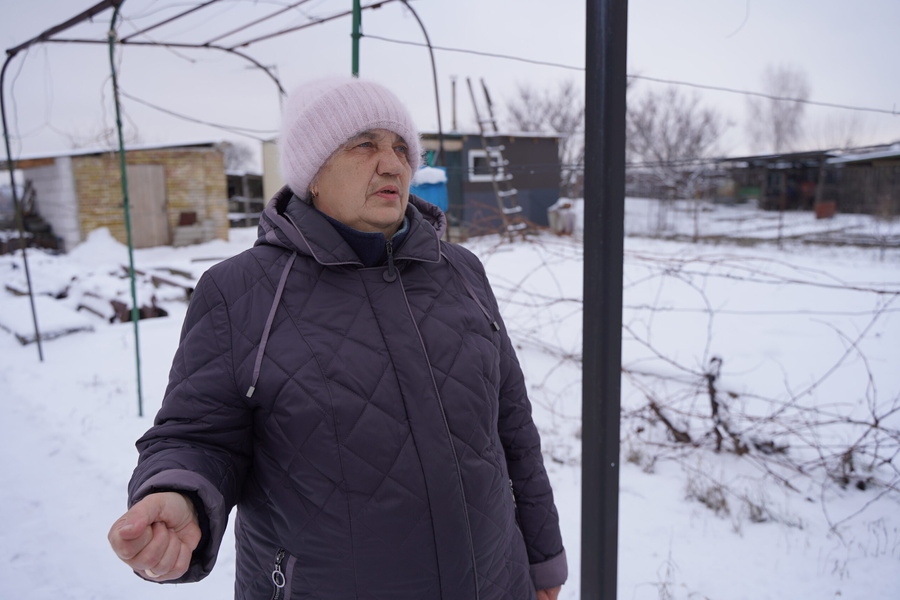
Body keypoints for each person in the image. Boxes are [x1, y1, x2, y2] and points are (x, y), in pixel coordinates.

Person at [108, 76, 567, 600]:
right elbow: (198, 435)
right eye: (364, 144)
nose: (393, 163)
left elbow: (512, 428)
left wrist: (541, 561)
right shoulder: (241, 291)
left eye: (401, 148)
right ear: (313, 176)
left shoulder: (459, 270)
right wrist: (181, 493)